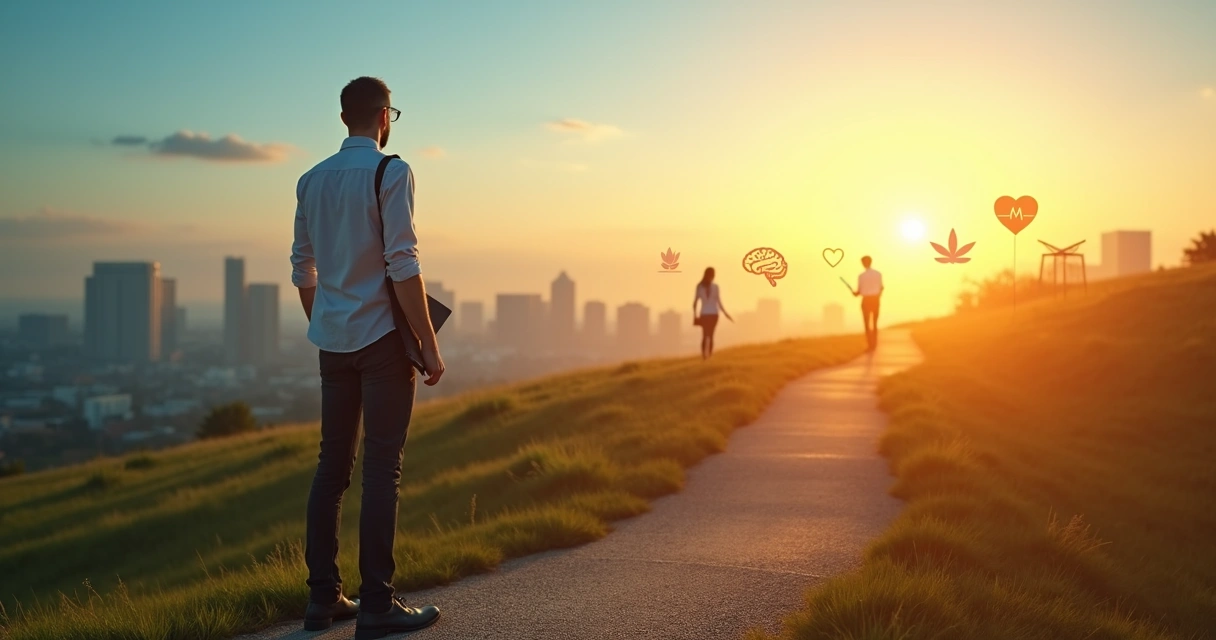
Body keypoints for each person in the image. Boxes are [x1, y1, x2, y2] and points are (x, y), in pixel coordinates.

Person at [291, 76, 444, 638]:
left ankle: (322, 600)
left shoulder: (310, 180)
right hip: (382, 341)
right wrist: (428, 343)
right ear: (384, 117)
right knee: (383, 468)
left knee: (332, 468)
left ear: (342, 118)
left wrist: (327, 320)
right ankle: (377, 604)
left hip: (331, 341)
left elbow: (301, 270)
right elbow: (402, 264)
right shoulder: (392, 171)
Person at [692, 267, 733, 359]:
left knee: (710, 335)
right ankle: (704, 355)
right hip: (705, 314)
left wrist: (725, 313)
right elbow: (695, 302)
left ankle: (709, 355)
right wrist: (695, 315)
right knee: (705, 335)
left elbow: (718, 301)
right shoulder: (700, 287)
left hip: (713, 314)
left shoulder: (715, 287)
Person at [851, 255, 884, 352]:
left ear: (863, 263)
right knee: (875, 323)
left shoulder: (861, 276)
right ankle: (874, 344)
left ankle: (870, 345)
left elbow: (858, 292)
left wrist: (855, 293)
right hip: (875, 300)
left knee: (866, 323)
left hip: (866, 300)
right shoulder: (878, 274)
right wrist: (878, 295)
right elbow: (881, 287)